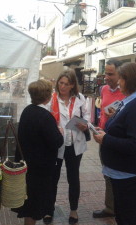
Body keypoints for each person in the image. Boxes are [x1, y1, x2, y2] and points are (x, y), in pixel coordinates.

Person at [93, 62, 136, 225]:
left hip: (133, 177)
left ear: (129, 80)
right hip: (126, 176)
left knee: (133, 219)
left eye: (120, 79)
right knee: (124, 217)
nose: (118, 82)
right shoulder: (131, 102)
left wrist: (105, 139)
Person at [14, 79, 64, 225]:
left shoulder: (27, 111)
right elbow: (56, 142)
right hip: (40, 169)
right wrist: (59, 133)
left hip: (27, 165)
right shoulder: (45, 116)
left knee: (29, 202)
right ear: (48, 96)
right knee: (34, 206)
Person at [44, 69, 90, 225]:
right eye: (60, 83)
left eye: (66, 84)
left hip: (74, 144)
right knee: (52, 178)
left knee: (73, 178)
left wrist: (85, 126)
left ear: (72, 85)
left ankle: (74, 210)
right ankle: (49, 210)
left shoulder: (80, 98)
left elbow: (87, 118)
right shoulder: (51, 99)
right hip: (56, 144)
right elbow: (45, 119)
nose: (62, 86)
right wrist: (53, 127)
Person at [93, 59, 125, 218]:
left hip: (118, 140)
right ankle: (110, 208)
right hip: (104, 137)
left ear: (120, 74)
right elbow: (102, 114)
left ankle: (120, 208)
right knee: (107, 173)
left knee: (119, 173)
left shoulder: (127, 92)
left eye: (110, 74)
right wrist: (99, 126)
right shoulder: (104, 89)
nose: (106, 77)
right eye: (106, 73)